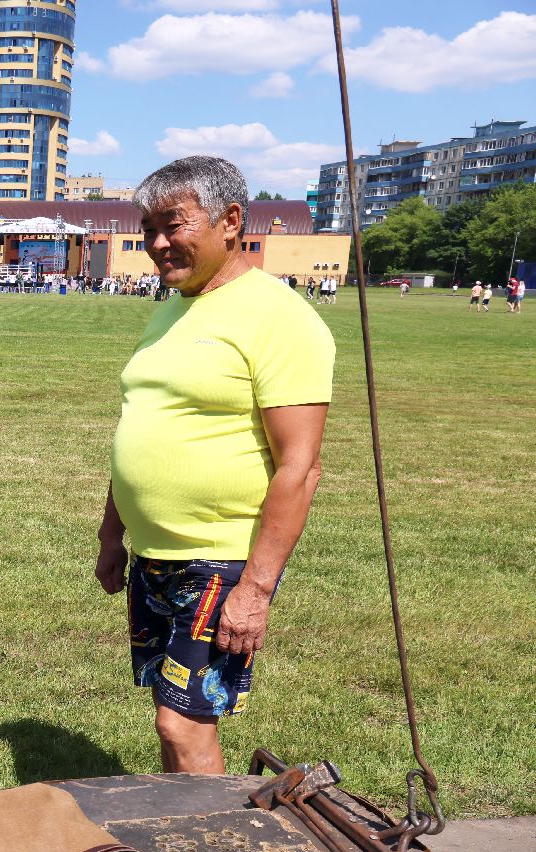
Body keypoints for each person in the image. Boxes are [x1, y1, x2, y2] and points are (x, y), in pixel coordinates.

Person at [95, 156, 334, 774]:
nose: (156, 244)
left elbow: (300, 467)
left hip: (219, 559)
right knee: (168, 710)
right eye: (148, 229)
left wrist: (255, 589)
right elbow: (141, 426)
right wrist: (112, 534)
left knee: (183, 724)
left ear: (230, 221)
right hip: (154, 555)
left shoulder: (279, 317)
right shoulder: (172, 309)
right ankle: (182, 823)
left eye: (173, 225)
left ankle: (215, 835)